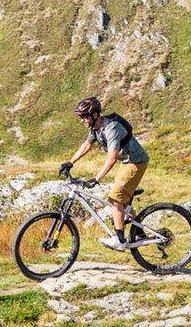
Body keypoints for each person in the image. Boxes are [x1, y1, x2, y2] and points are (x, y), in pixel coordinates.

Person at [60, 96, 148, 251]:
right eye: (80, 117)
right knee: (122, 201)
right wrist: (70, 162)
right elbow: (87, 145)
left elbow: (112, 157)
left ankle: (120, 241)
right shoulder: (96, 128)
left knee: (115, 198)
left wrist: (97, 178)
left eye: (84, 117)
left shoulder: (110, 128)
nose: (82, 120)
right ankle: (139, 233)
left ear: (95, 115)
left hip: (136, 161)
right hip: (126, 161)